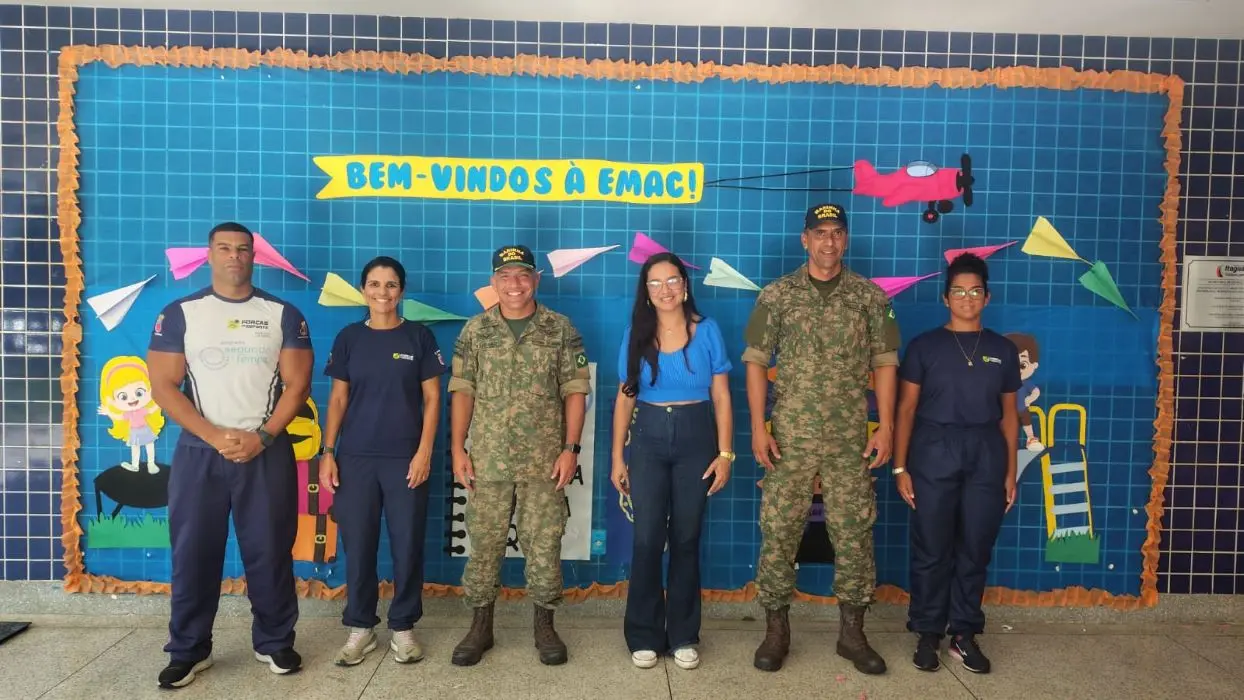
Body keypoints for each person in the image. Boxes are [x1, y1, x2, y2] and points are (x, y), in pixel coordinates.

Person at [147, 222, 313, 689]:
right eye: (225, 248)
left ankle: (275, 641)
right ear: (209, 254)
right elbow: (163, 386)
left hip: (266, 452)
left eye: (243, 249)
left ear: (254, 256)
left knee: (269, 552)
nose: (234, 256)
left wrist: (262, 435)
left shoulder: (282, 313)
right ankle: (188, 650)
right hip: (201, 454)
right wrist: (215, 435)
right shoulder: (181, 312)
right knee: (194, 554)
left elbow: (298, 385)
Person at [743, 203, 900, 675]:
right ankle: (776, 631)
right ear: (804, 239)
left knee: (853, 533)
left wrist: (887, 425)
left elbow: (886, 363)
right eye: (820, 233)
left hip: (851, 438)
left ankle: (852, 634)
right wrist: (756, 427)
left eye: (836, 233)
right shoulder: (775, 296)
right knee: (779, 531)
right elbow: (754, 360)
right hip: (789, 438)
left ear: (846, 240)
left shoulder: (871, 298)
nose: (828, 241)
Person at [447, 244, 592, 667]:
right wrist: (458, 447)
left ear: (537, 280)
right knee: (485, 543)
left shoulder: (560, 329)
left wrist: (571, 448)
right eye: (506, 276)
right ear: (494, 282)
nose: (515, 284)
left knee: (544, 544)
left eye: (523, 275)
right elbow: (462, 391)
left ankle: (545, 626)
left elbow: (575, 390)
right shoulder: (475, 331)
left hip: (544, 461)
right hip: (488, 460)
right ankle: (480, 626)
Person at [892, 252, 1020, 675]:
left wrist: (1009, 470)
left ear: (988, 297)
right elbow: (905, 410)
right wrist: (900, 467)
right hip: (932, 450)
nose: (967, 298)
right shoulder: (925, 346)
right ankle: (928, 632)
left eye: (975, 291)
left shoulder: (1002, 350)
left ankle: (963, 633)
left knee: (975, 548)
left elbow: (1009, 415)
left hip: (985, 453)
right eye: (959, 291)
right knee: (931, 548)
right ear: (945, 297)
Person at [318, 256, 447, 667]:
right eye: (374, 284)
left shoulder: (420, 338)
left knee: (407, 544)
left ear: (402, 291)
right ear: (363, 290)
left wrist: (425, 451)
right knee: (359, 546)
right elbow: (337, 399)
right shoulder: (349, 337)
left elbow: (432, 399)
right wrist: (329, 452)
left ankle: (404, 627)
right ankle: (360, 627)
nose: (383, 293)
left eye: (391, 285)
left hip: (406, 459)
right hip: (355, 459)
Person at [610, 252, 734, 671]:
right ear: (645, 291)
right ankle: (643, 634)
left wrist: (725, 454)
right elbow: (625, 397)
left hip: (697, 437)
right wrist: (616, 457)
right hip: (647, 439)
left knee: (685, 538)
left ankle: (683, 634)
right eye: (655, 283)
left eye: (672, 280)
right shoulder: (635, 334)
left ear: (685, 284)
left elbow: (721, 396)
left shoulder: (708, 331)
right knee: (646, 540)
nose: (665, 290)